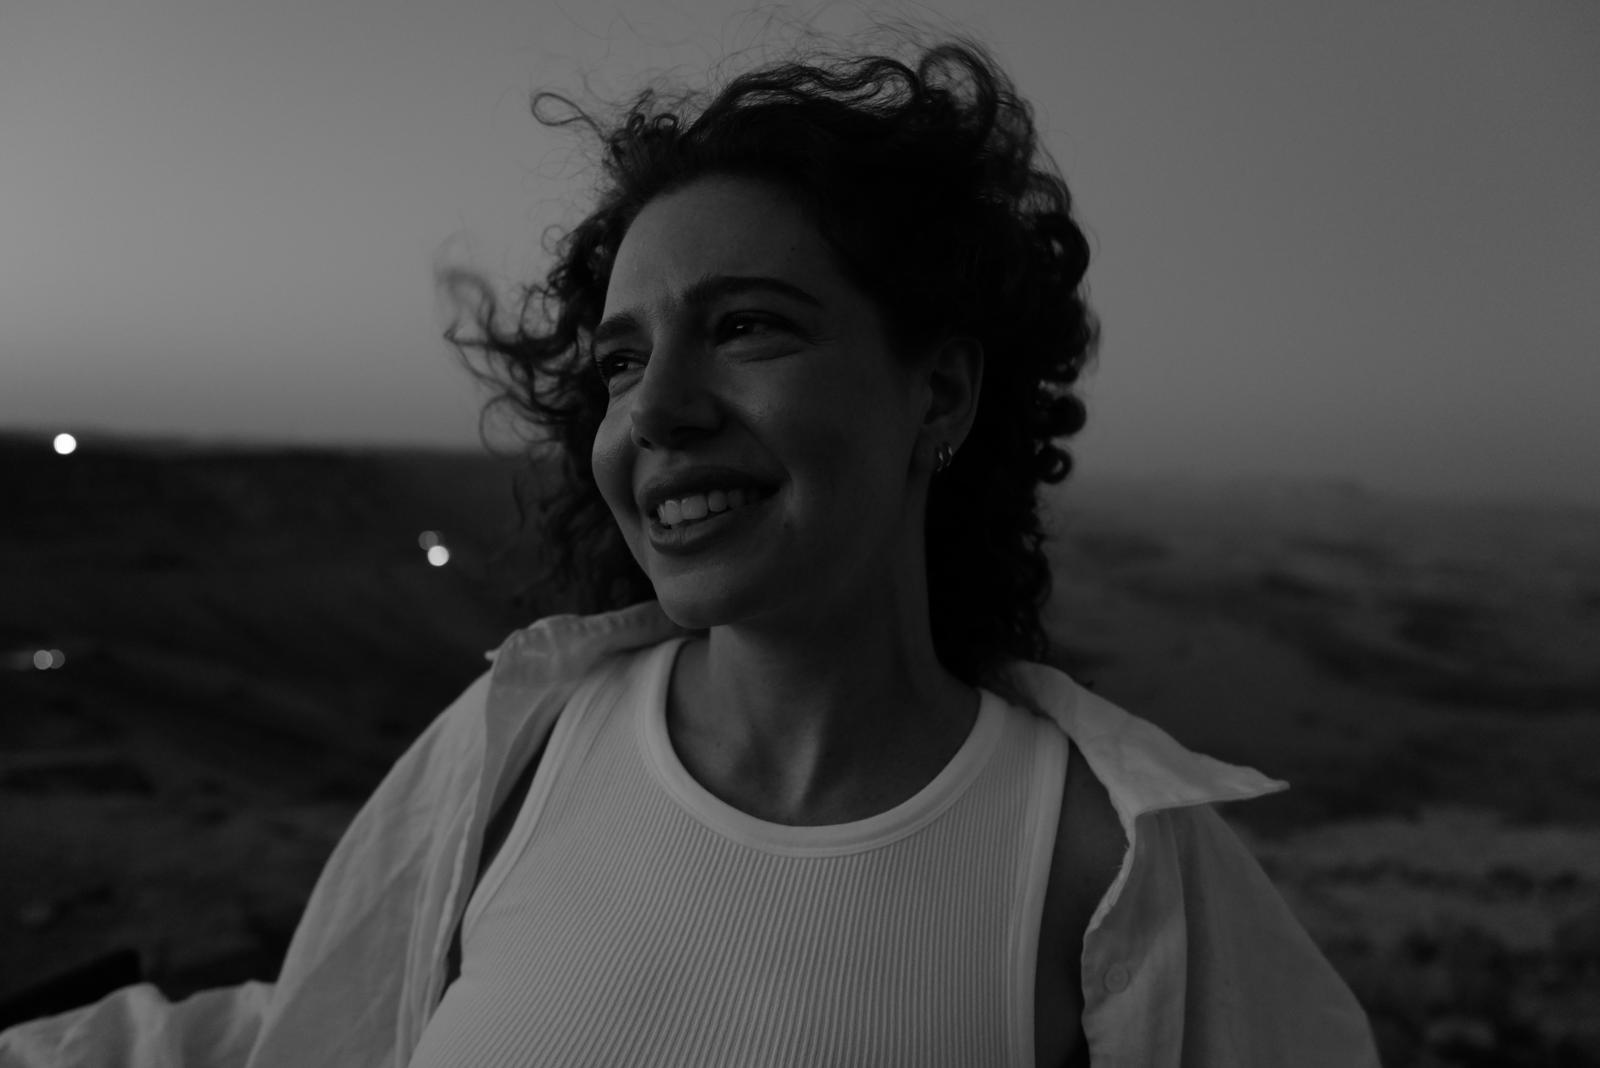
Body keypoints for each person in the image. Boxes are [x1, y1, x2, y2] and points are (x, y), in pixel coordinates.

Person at [0, 30, 1381, 1068]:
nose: (655, 413)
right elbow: (321, 1035)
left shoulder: (1109, 860)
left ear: (940, 394)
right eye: (619, 358)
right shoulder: (515, 751)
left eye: (749, 327)